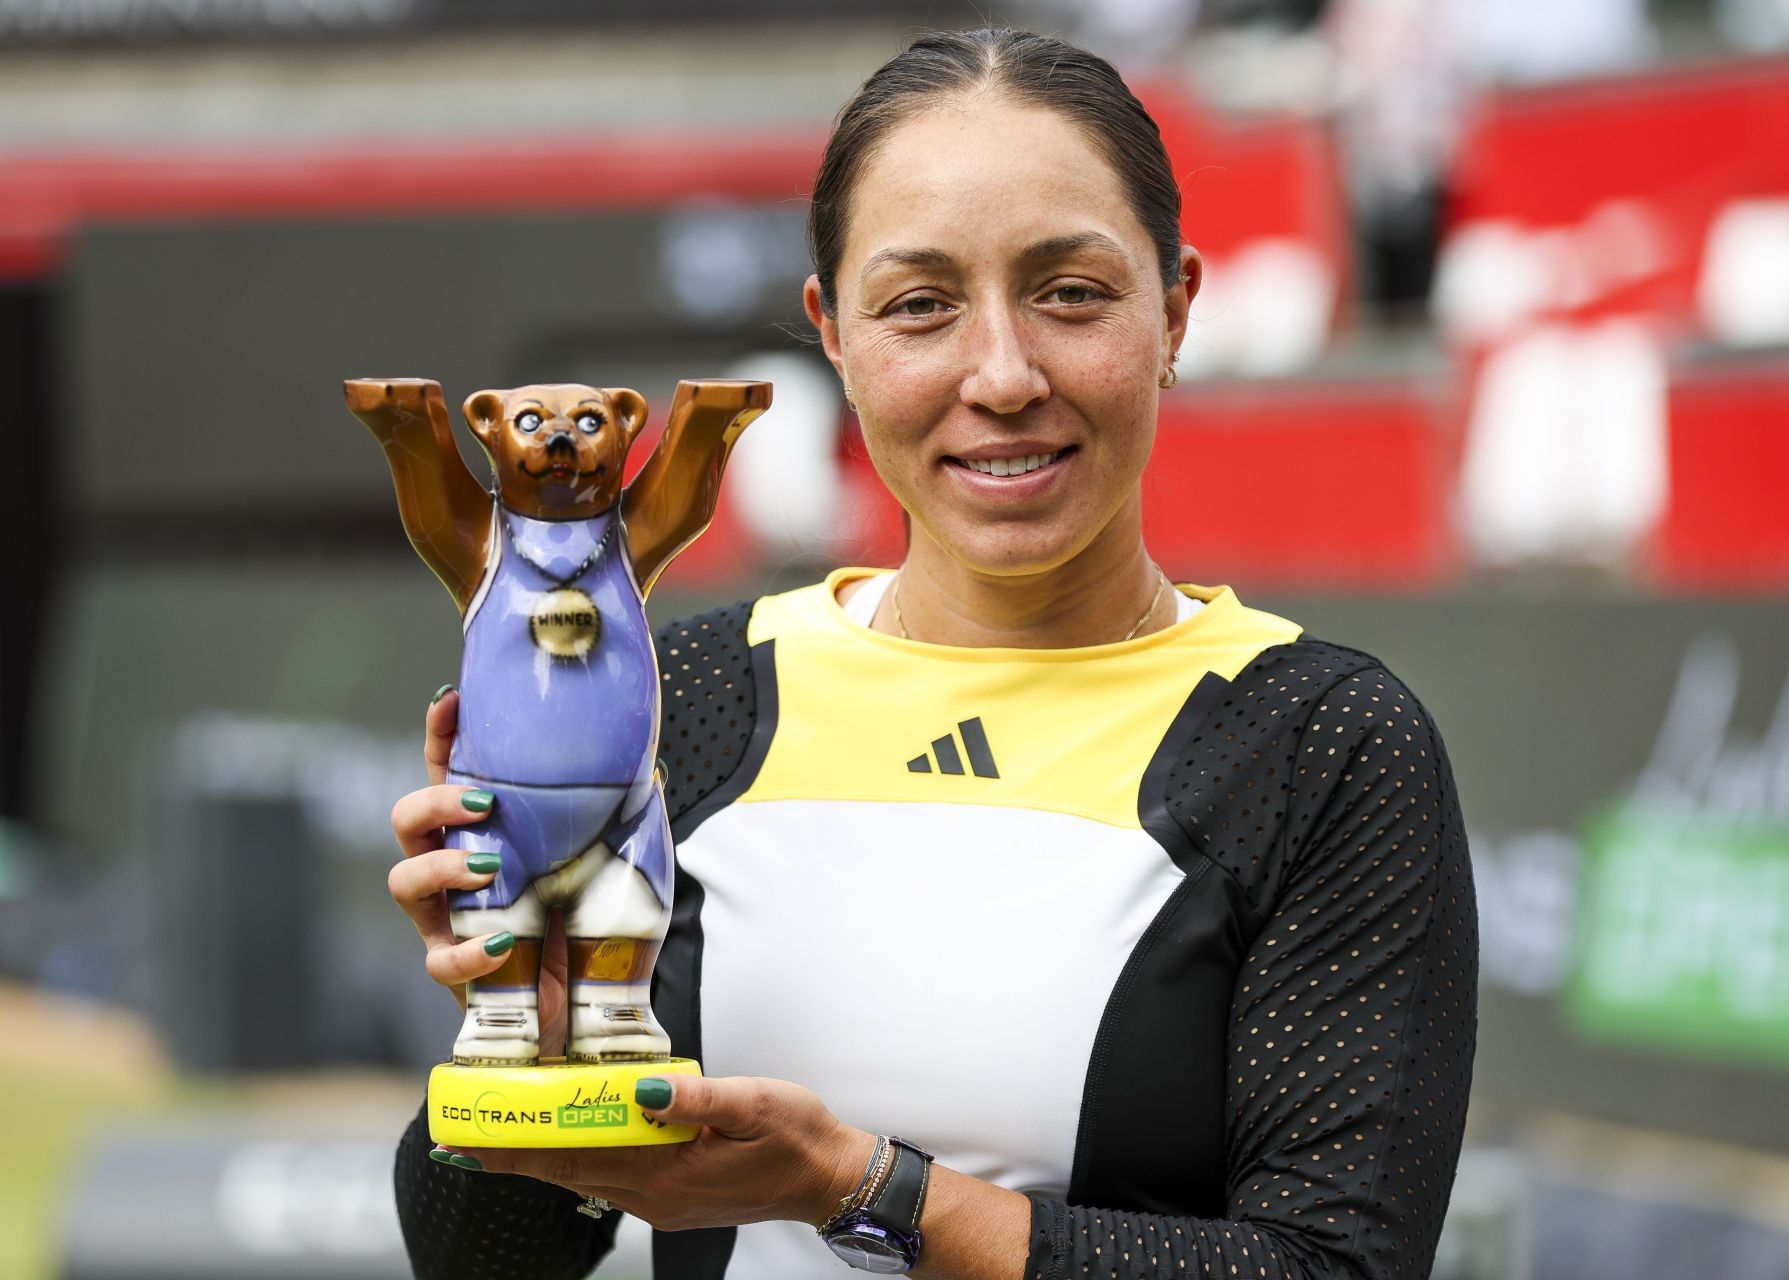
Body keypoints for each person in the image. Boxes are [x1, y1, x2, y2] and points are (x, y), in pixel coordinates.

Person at [384, 27, 1477, 1280]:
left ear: (1175, 308)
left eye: (1071, 292)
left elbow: (1333, 1268)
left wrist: (863, 1187)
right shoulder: (687, 697)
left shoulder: (1320, 741)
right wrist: (519, 1020)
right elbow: (486, 1262)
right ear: (833, 336)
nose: (1002, 374)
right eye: (920, 306)